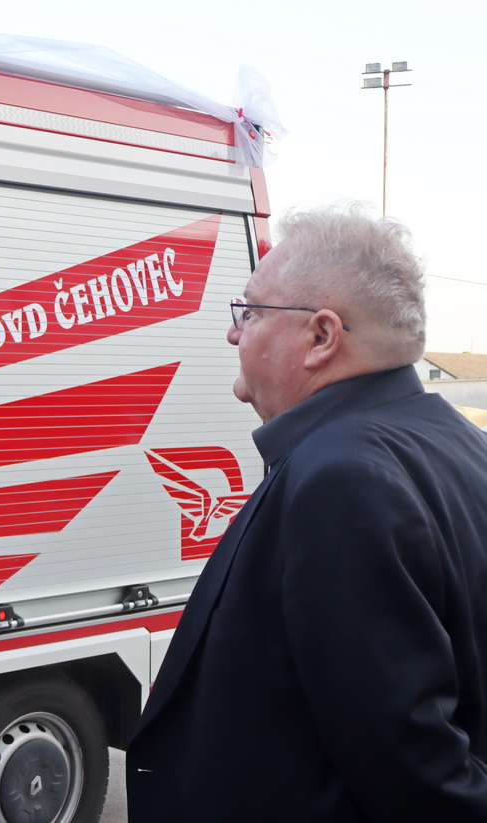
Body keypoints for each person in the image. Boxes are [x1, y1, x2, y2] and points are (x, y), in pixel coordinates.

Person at [126, 206, 487, 821]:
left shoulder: (342, 479)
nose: (233, 334)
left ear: (322, 337)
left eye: (250, 311)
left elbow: (415, 772)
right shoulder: (457, 441)